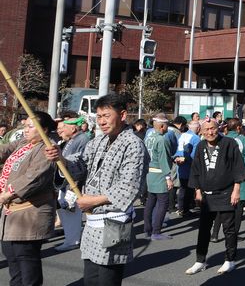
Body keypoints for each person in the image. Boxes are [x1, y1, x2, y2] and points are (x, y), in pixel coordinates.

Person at [45, 93, 147, 286]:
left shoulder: (134, 145)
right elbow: (81, 165)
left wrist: (93, 201)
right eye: (99, 116)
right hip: (92, 222)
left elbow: (129, 187)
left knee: (107, 278)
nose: (102, 121)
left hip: (113, 222)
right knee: (91, 277)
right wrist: (62, 159)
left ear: (123, 115)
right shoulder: (97, 141)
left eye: (106, 116)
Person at [0, 112, 57, 286]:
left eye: (30, 127)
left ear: (44, 129)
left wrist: (8, 193)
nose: (26, 130)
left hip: (30, 212)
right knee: (11, 257)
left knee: (26, 259)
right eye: (25, 126)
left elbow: (34, 177)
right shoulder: (24, 143)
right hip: (11, 211)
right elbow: (4, 150)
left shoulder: (48, 148)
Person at [185, 120, 245, 276]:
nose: (210, 132)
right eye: (206, 129)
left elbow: (238, 166)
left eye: (212, 128)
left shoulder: (229, 143)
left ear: (218, 128)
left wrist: (236, 190)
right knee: (204, 229)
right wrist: (197, 191)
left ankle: (229, 260)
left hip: (226, 193)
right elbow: (196, 170)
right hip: (207, 195)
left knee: (229, 229)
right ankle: (200, 261)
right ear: (201, 131)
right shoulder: (200, 146)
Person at [213, 118, 245, 241]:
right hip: (239, 176)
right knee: (238, 207)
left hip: (222, 176)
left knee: (221, 206)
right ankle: (233, 234)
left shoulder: (220, 140)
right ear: (238, 128)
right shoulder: (243, 140)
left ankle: (214, 234)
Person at [55, 115, 89, 252]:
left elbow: (80, 161)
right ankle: (70, 238)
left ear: (74, 127)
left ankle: (72, 240)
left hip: (74, 181)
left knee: (71, 212)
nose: (60, 131)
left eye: (63, 128)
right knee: (65, 210)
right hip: (65, 180)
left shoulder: (82, 139)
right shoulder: (72, 140)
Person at [143, 113, 174, 241]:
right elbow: (163, 160)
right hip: (160, 173)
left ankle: (147, 229)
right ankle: (156, 231)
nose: (168, 127)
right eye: (167, 125)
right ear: (162, 126)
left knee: (150, 202)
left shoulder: (149, 136)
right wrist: (168, 177)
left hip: (150, 172)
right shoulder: (161, 139)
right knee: (162, 202)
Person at [174, 118, 200, 216]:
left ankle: (181, 208)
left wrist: (176, 158)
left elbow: (176, 149)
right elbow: (194, 155)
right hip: (189, 166)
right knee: (189, 189)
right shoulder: (196, 138)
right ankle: (185, 209)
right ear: (198, 128)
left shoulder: (182, 135)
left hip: (180, 165)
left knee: (182, 188)